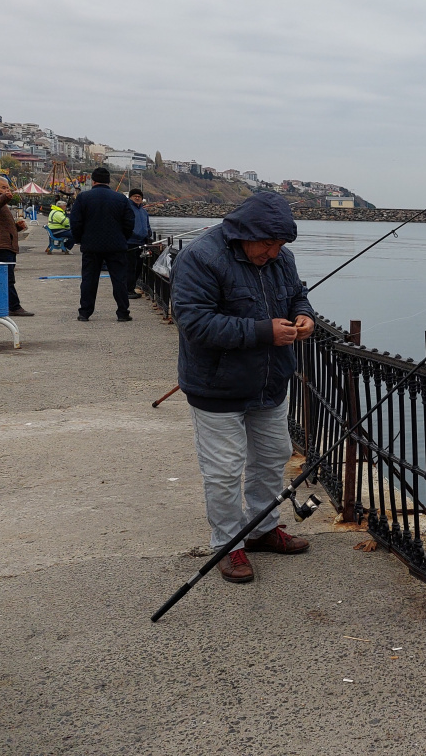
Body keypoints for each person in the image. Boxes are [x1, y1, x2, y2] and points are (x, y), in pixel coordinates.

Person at [171, 193, 316, 583]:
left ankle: (262, 529)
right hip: (216, 386)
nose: (273, 252)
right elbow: (194, 322)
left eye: (280, 245)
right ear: (244, 233)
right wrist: (262, 331)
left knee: (272, 457)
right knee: (223, 470)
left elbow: (297, 294)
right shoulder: (201, 258)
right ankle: (228, 544)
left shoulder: (280, 258)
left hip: (269, 382)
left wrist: (304, 316)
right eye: (267, 244)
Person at [69, 167, 134, 322]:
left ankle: (85, 312)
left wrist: (80, 239)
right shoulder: (121, 199)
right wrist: (122, 238)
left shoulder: (83, 198)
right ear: (108, 181)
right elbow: (129, 222)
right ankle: (123, 312)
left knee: (89, 280)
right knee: (119, 280)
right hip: (116, 245)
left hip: (91, 245)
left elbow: (75, 222)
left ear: (93, 180)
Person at [0, 176, 34, 317]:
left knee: (6, 278)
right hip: (0, 246)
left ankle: (8, 306)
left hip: (6, 245)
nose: (7, 190)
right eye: (3, 187)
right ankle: (14, 307)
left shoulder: (0, 204)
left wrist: (16, 227)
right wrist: (5, 197)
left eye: (8, 187)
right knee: (6, 278)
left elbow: (2, 226)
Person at [125, 188, 151, 299]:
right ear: (130, 197)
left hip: (141, 243)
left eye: (139, 196)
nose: (137, 198)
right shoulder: (127, 209)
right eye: (134, 196)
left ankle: (131, 287)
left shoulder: (144, 211)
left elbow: (147, 225)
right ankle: (128, 290)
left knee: (138, 267)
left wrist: (148, 233)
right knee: (130, 268)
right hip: (129, 242)